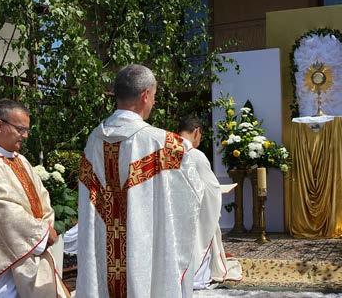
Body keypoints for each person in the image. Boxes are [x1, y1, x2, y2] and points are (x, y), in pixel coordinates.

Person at [76, 64, 204, 298]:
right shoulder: (162, 143)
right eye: (154, 97)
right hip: (142, 253)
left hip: (104, 252)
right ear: (145, 95)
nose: (153, 103)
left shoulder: (93, 140)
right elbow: (193, 191)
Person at [0, 99, 70, 298]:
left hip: (31, 252)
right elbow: (3, 210)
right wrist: (42, 233)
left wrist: (46, 225)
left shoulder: (20, 160)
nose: (25, 136)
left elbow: (43, 199)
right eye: (20, 129)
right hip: (2, 266)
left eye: (27, 130)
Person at [178, 115, 242, 290]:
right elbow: (211, 189)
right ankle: (197, 277)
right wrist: (220, 190)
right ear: (197, 131)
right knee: (200, 239)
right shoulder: (196, 155)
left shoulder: (168, 151)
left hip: (175, 211)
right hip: (195, 213)